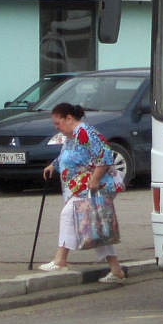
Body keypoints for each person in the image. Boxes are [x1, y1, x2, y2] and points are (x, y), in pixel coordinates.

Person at [39, 102, 127, 282]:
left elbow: (105, 156)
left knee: (68, 215)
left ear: (69, 119)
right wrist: (53, 166)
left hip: (94, 185)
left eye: (58, 123)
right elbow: (68, 154)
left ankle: (60, 260)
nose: (57, 127)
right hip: (83, 185)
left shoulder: (85, 132)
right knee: (97, 226)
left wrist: (94, 179)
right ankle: (116, 270)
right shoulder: (72, 135)